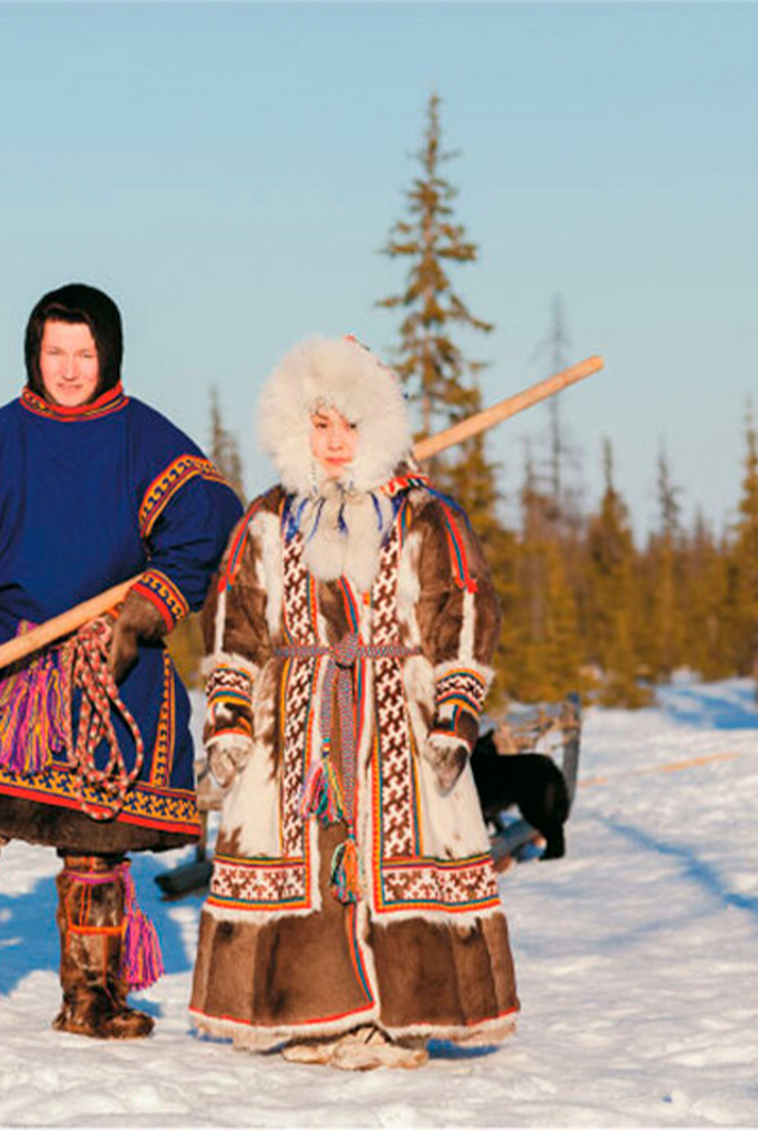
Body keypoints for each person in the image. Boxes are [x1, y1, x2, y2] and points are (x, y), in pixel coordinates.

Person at [0, 283, 243, 1040]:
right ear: (34, 355)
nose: (69, 369)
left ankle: (93, 997)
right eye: (55, 353)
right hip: (3, 666)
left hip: (109, 665)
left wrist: (136, 613)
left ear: (109, 356)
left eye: (84, 353)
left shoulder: (150, 443)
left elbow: (204, 534)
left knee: (96, 846)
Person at [188, 336, 518, 1070]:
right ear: (294, 428)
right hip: (295, 726)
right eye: (320, 426)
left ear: (378, 428)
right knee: (305, 862)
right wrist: (230, 717)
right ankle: (314, 1016)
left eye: (350, 427)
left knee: (402, 858)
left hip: (400, 716)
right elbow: (234, 619)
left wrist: (455, 716)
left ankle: (403, 1019)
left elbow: (462, 607)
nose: (336, 444)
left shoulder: (425, 514)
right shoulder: (268, 519)